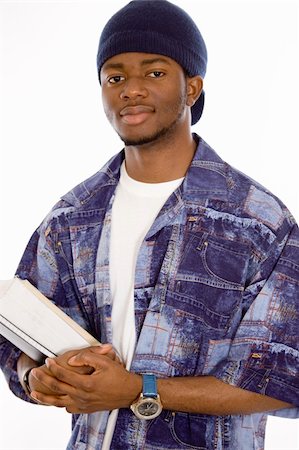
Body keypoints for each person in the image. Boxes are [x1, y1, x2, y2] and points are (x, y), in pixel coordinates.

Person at [0, 0, 298, 449]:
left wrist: (140, 389)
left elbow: (283, 377)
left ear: (192, 88)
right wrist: (36, 377)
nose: (130, 89)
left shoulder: (256, 221)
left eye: (154, 72)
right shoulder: (71, 217)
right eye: (115, 77)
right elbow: (17, 339)